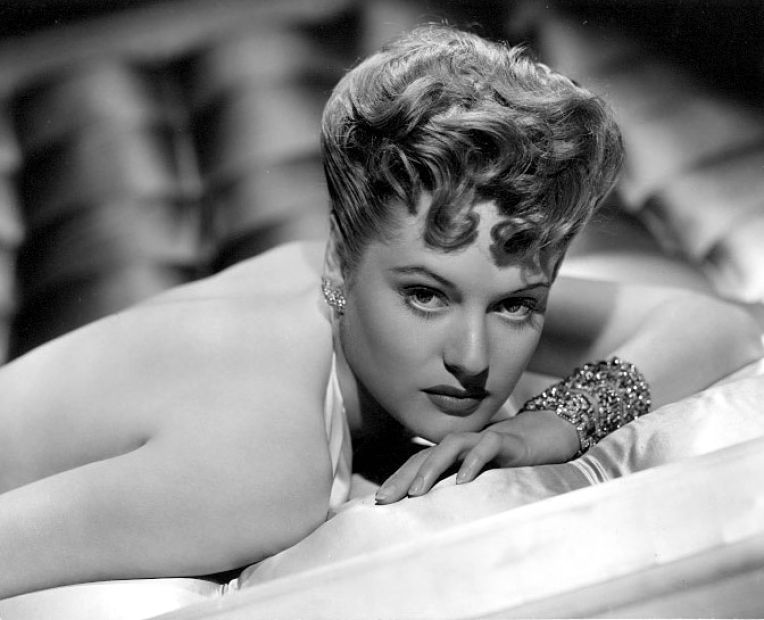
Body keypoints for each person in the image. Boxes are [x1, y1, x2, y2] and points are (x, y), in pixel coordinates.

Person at [0, 25, 761, 600]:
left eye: (517, 306)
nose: (472, 357)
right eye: (425, 296)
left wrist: (552, 423)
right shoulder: (264, 469)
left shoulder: (332, 272)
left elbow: (717, 326)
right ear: (341, 262)